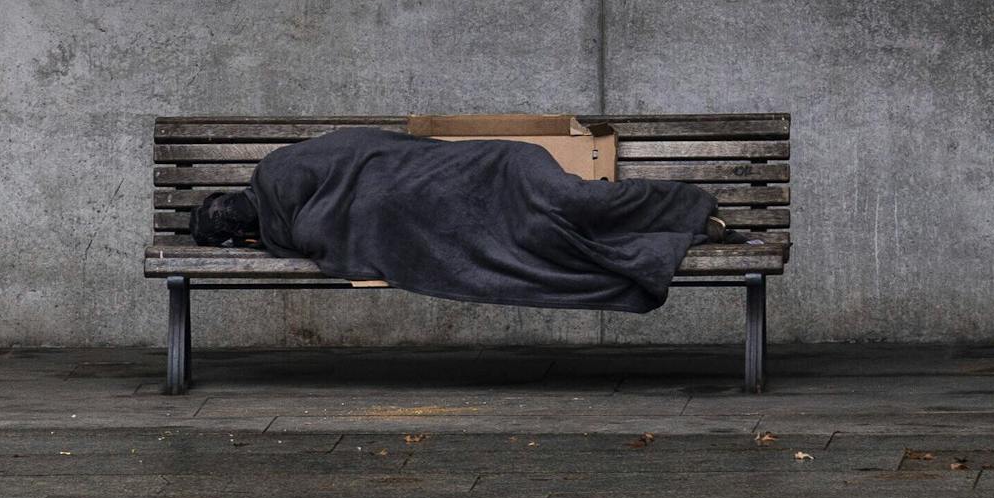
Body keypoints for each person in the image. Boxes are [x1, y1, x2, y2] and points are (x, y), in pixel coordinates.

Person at [189, 127, 724, 313]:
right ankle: (687, 225)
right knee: (568, 214)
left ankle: (691, 209)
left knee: (568, 216)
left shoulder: (294, 214)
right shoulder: (284, 169)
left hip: (487, 174)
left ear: (242, 234)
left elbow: (350, 209)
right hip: (494, 162)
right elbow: (376, 147)